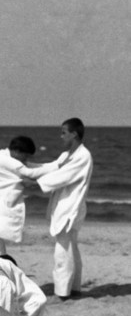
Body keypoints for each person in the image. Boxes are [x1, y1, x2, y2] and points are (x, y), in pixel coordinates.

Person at [0, 135, 60, 256]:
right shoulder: (3, 159)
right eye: (26, 156)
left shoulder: (7, 157)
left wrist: (56, 165)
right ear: (17, 151)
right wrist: (58, 165)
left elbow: (30, 166)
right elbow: (30, 172)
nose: (26, 160)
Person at [36, 118, 93, 300]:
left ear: (74, 133)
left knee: (62, 250)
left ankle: (63, 293)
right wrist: (25, 169)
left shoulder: (83, 156)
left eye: (63, 132)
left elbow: (61, 176)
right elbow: (51, 168)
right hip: (64, 206)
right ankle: (74, 288)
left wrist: (32, 182)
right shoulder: (66, 154)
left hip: (71, 207)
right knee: (70, 248)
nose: (61, 136)